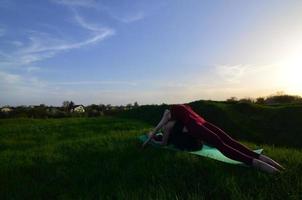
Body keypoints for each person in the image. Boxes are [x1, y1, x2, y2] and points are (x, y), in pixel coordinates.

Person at [142, 104, 285, 174]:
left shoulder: (167, 114)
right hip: (203, 122)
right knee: (229, 142)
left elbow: (157, 127)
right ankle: (268, 163)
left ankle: (257, 164)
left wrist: (148, 141)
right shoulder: (181, 107)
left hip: (195, 126)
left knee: (222, 145)